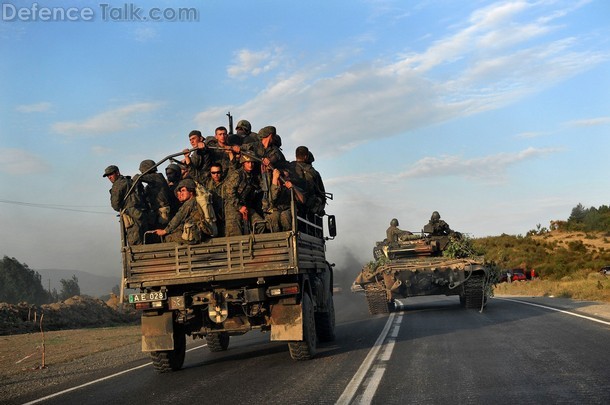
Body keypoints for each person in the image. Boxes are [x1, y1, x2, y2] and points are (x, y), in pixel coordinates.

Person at [103, 165, 149, 245]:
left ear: (117, 173)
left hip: (132, 218)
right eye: (108, 176)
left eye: (111, 174)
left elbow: (115, 205)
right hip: (142, 215)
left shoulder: (117, 185)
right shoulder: (129, 180)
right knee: (146, 240)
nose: (109, 177)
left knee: (135, 243)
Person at [152, 179, 208, 244]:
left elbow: (178, 218)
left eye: (183, 190)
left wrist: (164, 231)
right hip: (198, 232)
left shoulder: (190, 203)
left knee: (167, 238)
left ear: (191, 192)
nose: (181, 193)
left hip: (194, 234)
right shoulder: (196, 201)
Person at [223, 154, 265, 236]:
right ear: (243, 163)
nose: (250, 165)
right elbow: (228, 192)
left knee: (260, 224)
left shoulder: (252, 176)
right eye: (248, 162)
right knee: (235, 235)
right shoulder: (237, 174)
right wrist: (239, 207)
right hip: (233, 207)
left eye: (252, 162)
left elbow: (262, 186)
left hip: (245, 207)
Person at [290, 145, 326, 216]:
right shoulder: (314, 173)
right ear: (306, 157)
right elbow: (322, 194)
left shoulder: (289, 167)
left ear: (296, 155)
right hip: (308, 212)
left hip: (291, 207)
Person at [137, 159, 174, 227]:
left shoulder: (157, 177)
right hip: (156, 212)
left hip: (163, 211)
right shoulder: (150, 185)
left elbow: (139, 177)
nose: (142, 172)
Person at [204, 163, 226, 236]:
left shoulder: (227, 182)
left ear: (222, 172)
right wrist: (187, 158)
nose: (216, 175)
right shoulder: (207, 184)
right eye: (213, 173)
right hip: (213, 218)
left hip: (225, 216)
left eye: (218, 172)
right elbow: (194, 173)